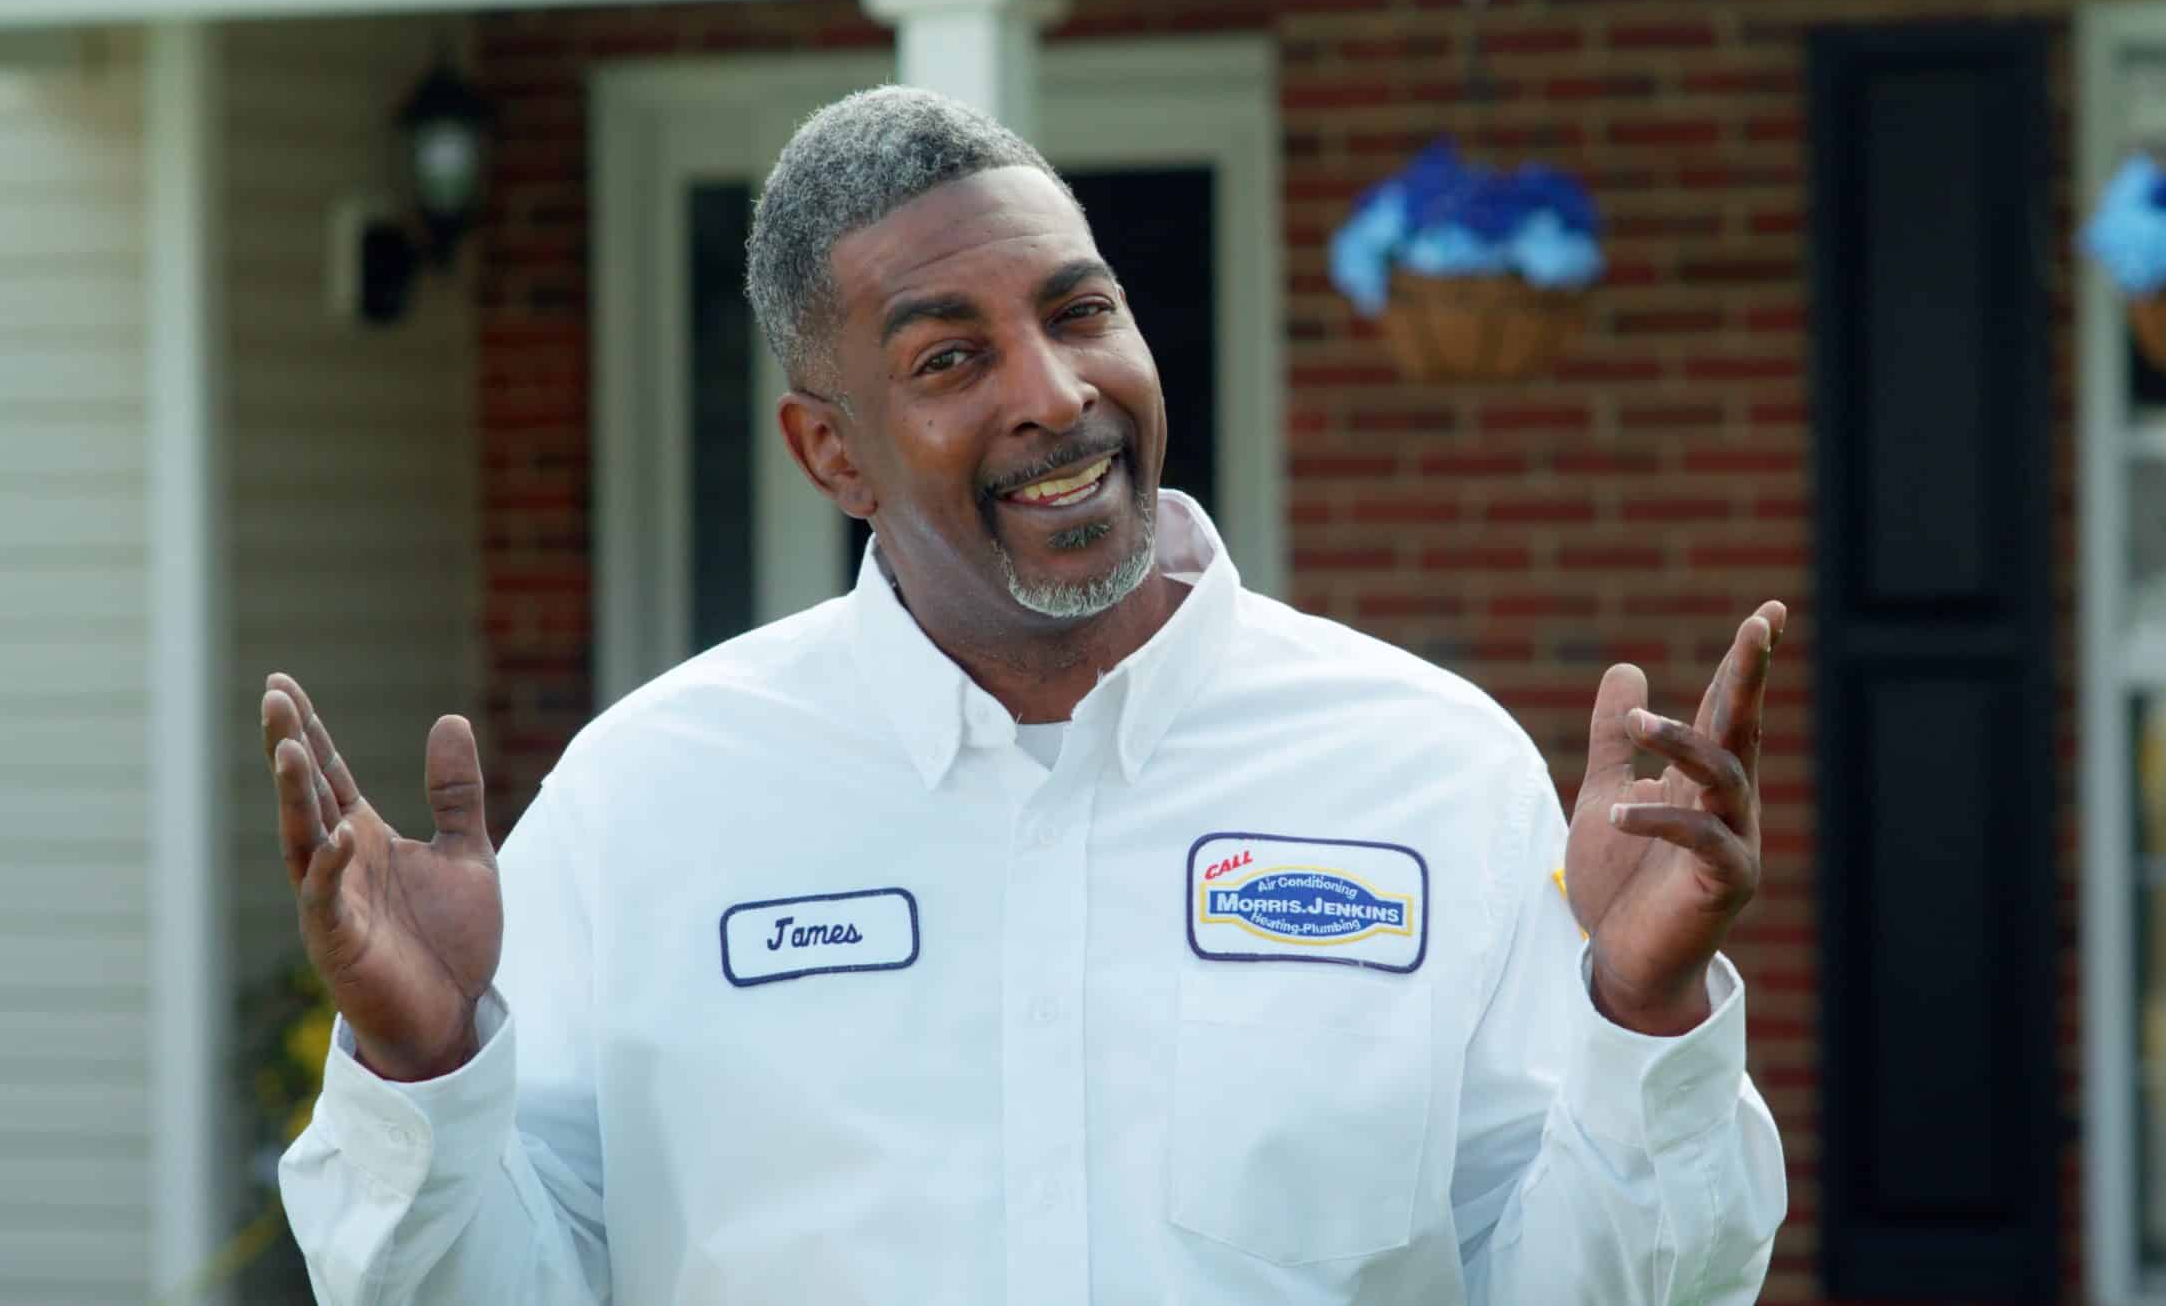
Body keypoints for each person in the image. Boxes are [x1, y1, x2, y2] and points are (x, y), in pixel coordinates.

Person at [268, 85, 1786, 1304]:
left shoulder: (1431, 771)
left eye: (1080, 312)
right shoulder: (643, 806)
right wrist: (425, 1071)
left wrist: (1642, 1015)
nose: (1055, 393)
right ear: (831, 453)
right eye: (951, 358)